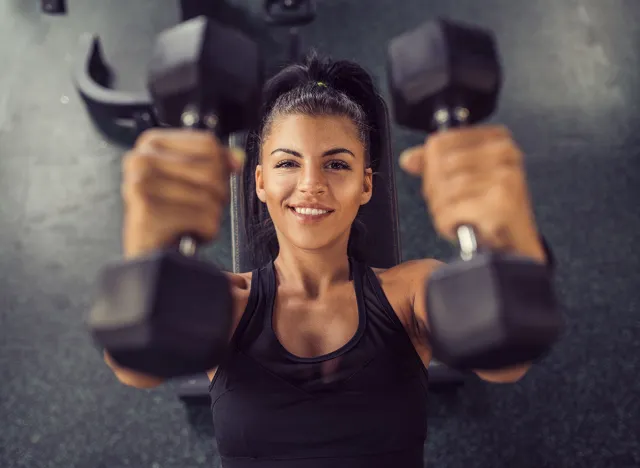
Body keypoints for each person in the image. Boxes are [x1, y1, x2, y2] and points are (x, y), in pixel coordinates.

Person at [105, 51, 550, 467]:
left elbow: (507, 366)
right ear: (260, 182)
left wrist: (513, 236)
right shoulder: (225, 302)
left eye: (336, 165)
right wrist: (145, 249)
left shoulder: (410, 292)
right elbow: (134, 372)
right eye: (287, 164)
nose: (311, 185)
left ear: (366, 185)